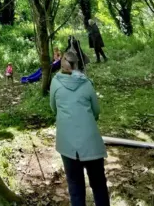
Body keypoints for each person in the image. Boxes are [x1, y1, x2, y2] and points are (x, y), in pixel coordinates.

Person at [50, 51, 110, 206]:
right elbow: (96, 111)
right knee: (98, 184)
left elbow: (53, 108)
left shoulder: (55, 83)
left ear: (61, 64)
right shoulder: (87, 83)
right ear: (77, 64)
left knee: (75, 186)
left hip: (67, 144)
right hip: (91, 142)